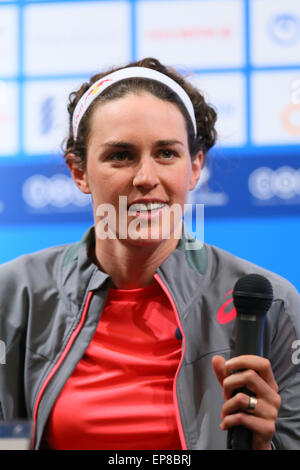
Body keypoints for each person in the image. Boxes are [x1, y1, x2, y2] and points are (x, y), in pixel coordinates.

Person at [0, 57, 299, 451]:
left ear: (194, 167)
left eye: (166, 154)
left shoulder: (271, 304)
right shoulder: (14, 295)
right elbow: (10, 437)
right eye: (120, 155)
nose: (146, 177)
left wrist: (263, 447)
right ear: (79, 172)